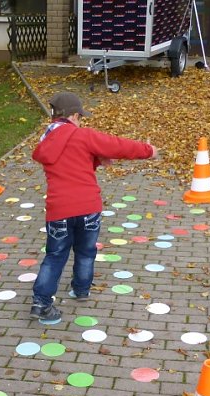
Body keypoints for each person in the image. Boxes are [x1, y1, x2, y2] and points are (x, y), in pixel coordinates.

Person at [30, 92, 158, 322]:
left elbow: (67, 159)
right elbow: (118, 146)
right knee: (86, 251)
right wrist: (148, 151)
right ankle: (80, 289)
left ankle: (41, 302)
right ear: (75, 115)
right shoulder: (84, 136)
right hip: (88, 207)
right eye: (81, 117)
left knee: (55, 256)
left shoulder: (46, 140)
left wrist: (96, 159)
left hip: (58, 209)